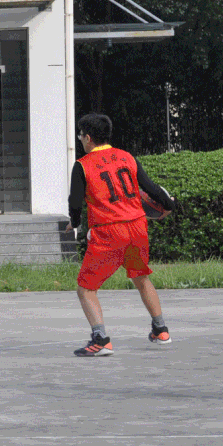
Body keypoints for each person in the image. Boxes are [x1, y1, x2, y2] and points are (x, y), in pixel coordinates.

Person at [65, 113, 176, 357]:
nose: (80, 140)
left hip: (109, 231)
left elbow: (75, 201)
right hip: (137, 227)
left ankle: (101, 340)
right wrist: (169, 205)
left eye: (80, 136)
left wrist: (74, 222)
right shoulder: (127, 157)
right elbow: (151, 188)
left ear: (88, 137)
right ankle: (161, 330)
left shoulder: (83, 165)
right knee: (141, 277)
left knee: (86, 288)